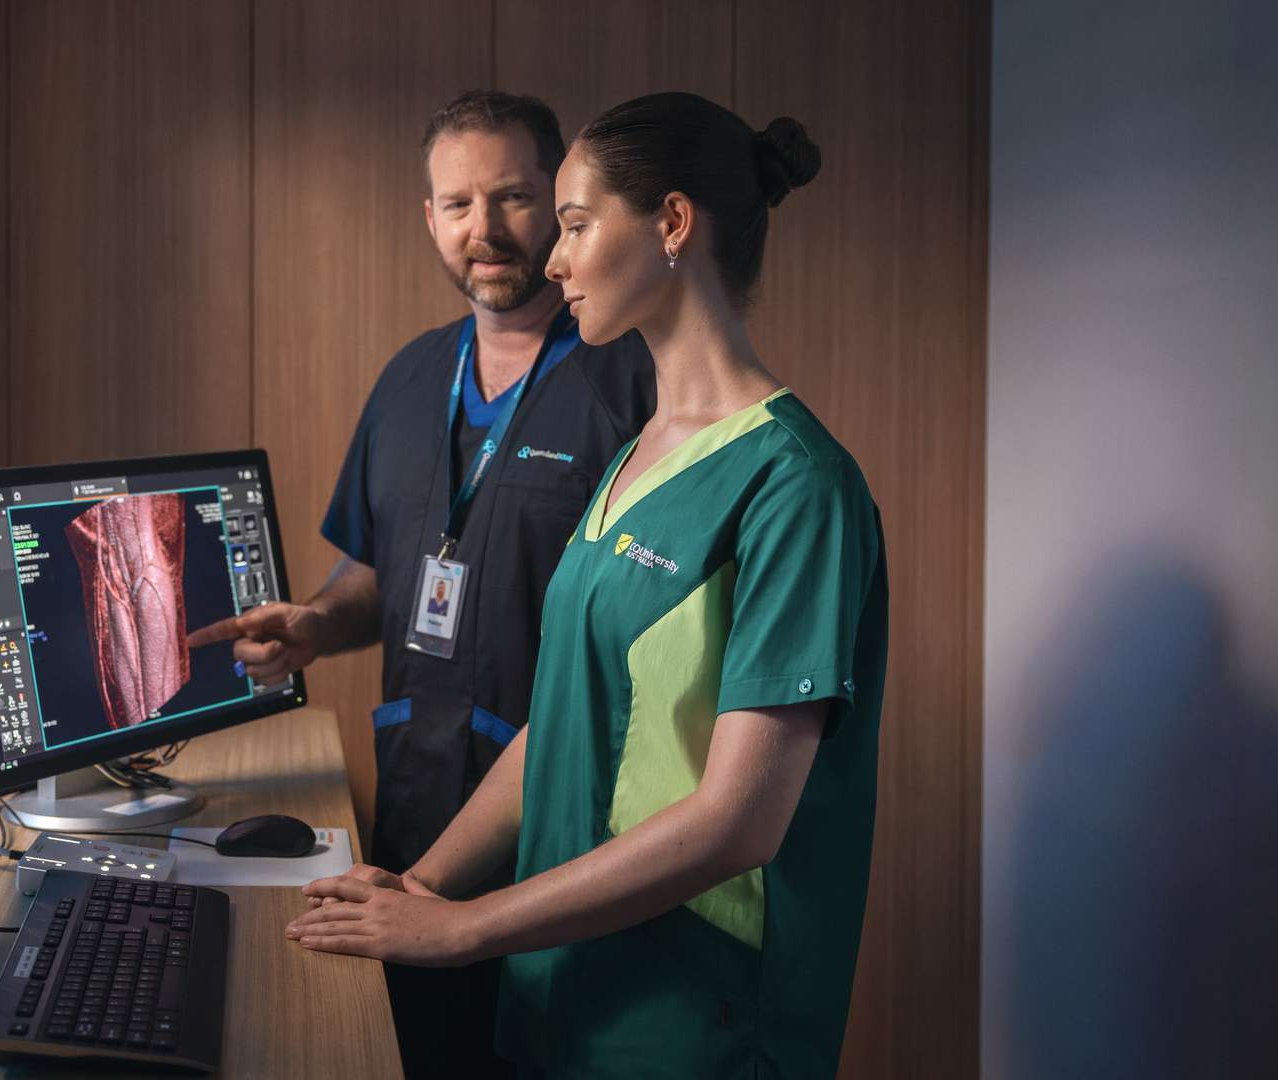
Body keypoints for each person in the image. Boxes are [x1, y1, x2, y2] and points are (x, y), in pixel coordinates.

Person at [283, 91, 889, 1080]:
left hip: (691, 1020)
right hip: (564, 988)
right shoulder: (641, 456)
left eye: (570, 222)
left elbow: (740, 822)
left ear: (673, 225)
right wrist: (423, 888)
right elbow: (562, 720)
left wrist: (465, 929)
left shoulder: (796, 485)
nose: (552, 259)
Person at [187, 90, 655, 1077]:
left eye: (513, 198)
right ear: (428, 218)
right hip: (412, 819)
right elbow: (375, 572)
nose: (483, 230)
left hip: (564, 841)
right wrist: (315, 623)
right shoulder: (409, 381)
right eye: (455, 205)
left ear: (562, 201)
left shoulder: (635, 387)